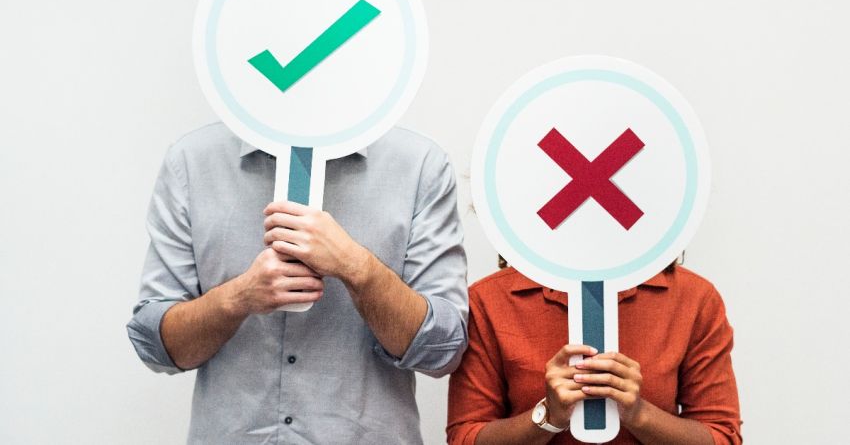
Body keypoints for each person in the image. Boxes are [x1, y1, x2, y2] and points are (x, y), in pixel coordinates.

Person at [126, 123, 468, 444]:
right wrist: (237, 298)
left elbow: (442, 351)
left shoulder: (419, 165)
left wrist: (357, 267)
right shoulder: (191, 162)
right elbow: (156, 347)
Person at [447, 258, 742, 444]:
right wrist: (549, 417)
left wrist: (639, 414)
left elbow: (722, 436)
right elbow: (465, 436)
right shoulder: (489, 300)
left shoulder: (693, 298)